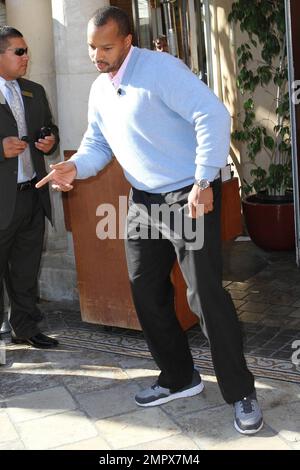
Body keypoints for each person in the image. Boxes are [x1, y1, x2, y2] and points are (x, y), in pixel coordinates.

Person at [36, 6, 263, 434]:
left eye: (105, 47)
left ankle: (241, 391)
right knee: (145, 291)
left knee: (205, 297)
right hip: (143, 200)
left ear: (127, 42)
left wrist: (203, 180)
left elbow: (211, 114)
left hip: (186, 195)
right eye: (91, 47)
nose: (96, 56)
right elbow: (98, 143)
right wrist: (75, 167)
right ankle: (179, 377)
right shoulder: (102, 89)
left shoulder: (160, 69)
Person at [0, 26, 59, 349]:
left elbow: (49, 128)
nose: (26, 57)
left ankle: (23, 327)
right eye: (19, 52)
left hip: (32, 196)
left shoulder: (33, 91)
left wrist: (50, 140)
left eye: (26, 51)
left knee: (25, 270)